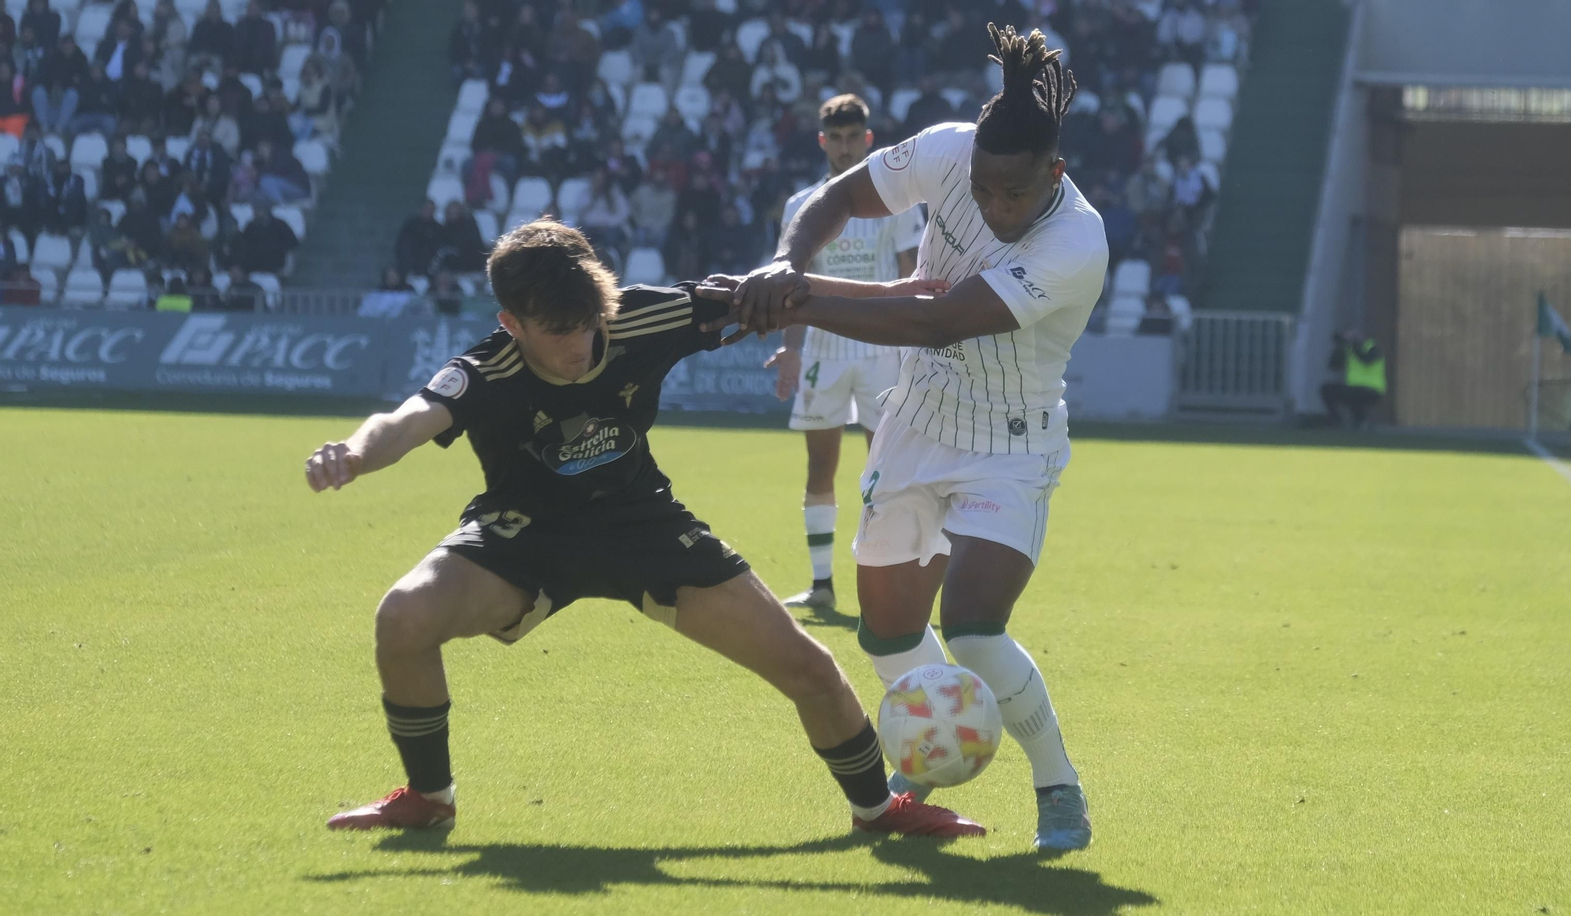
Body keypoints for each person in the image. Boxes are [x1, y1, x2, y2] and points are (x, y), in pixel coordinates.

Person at [304, 220, 984, 840]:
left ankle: (878, 810)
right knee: (403, 616)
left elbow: (774, 292)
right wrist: (356, 453)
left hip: (644, 525)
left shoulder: (640, 316)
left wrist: (889, 289)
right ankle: (430, 798)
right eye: (557, 331)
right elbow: (407, 420)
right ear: (512, 323)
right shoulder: (485, 370)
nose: (580, 343)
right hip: (524, 538)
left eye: (588, 324)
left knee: (808, 666)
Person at [715, 25, 1106, 852]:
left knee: (971, 625)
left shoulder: (1077, 240)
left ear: (1055, 173)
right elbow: (837, 200)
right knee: (886, 630)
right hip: (915, 419)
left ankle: (1058, 787)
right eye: (985, 190)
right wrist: (788, 262)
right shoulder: (945, 150)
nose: (997, 208)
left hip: (1010, 441)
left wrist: (797, 302)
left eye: (1016, 195)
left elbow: (938, 321)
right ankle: (932, 745)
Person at [761, 94, 925, 614]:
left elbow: (912, 281)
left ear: (868, 140)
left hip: (882, 348)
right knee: (819, 470)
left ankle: (890, 584)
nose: (846, 146)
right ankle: (822, 585)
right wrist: (790, 349)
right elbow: (790, 285)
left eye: (855, 137)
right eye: (837, 138)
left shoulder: (896, 203)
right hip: (822, 349)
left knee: (889, 471)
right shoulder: (801, 205)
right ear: (823, 141)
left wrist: (916, 349)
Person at [1321, 329, 1385, 429]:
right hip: (1354, 388)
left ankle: (1361, 421)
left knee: (1356, 396)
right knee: (1327, 389)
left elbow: (1366, 360)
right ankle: (1337, 420)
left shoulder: (1372, 347)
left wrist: (1354, 344)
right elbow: (1333, 366)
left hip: (1372, 389)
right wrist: (1340, 347)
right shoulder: (1349, 350)